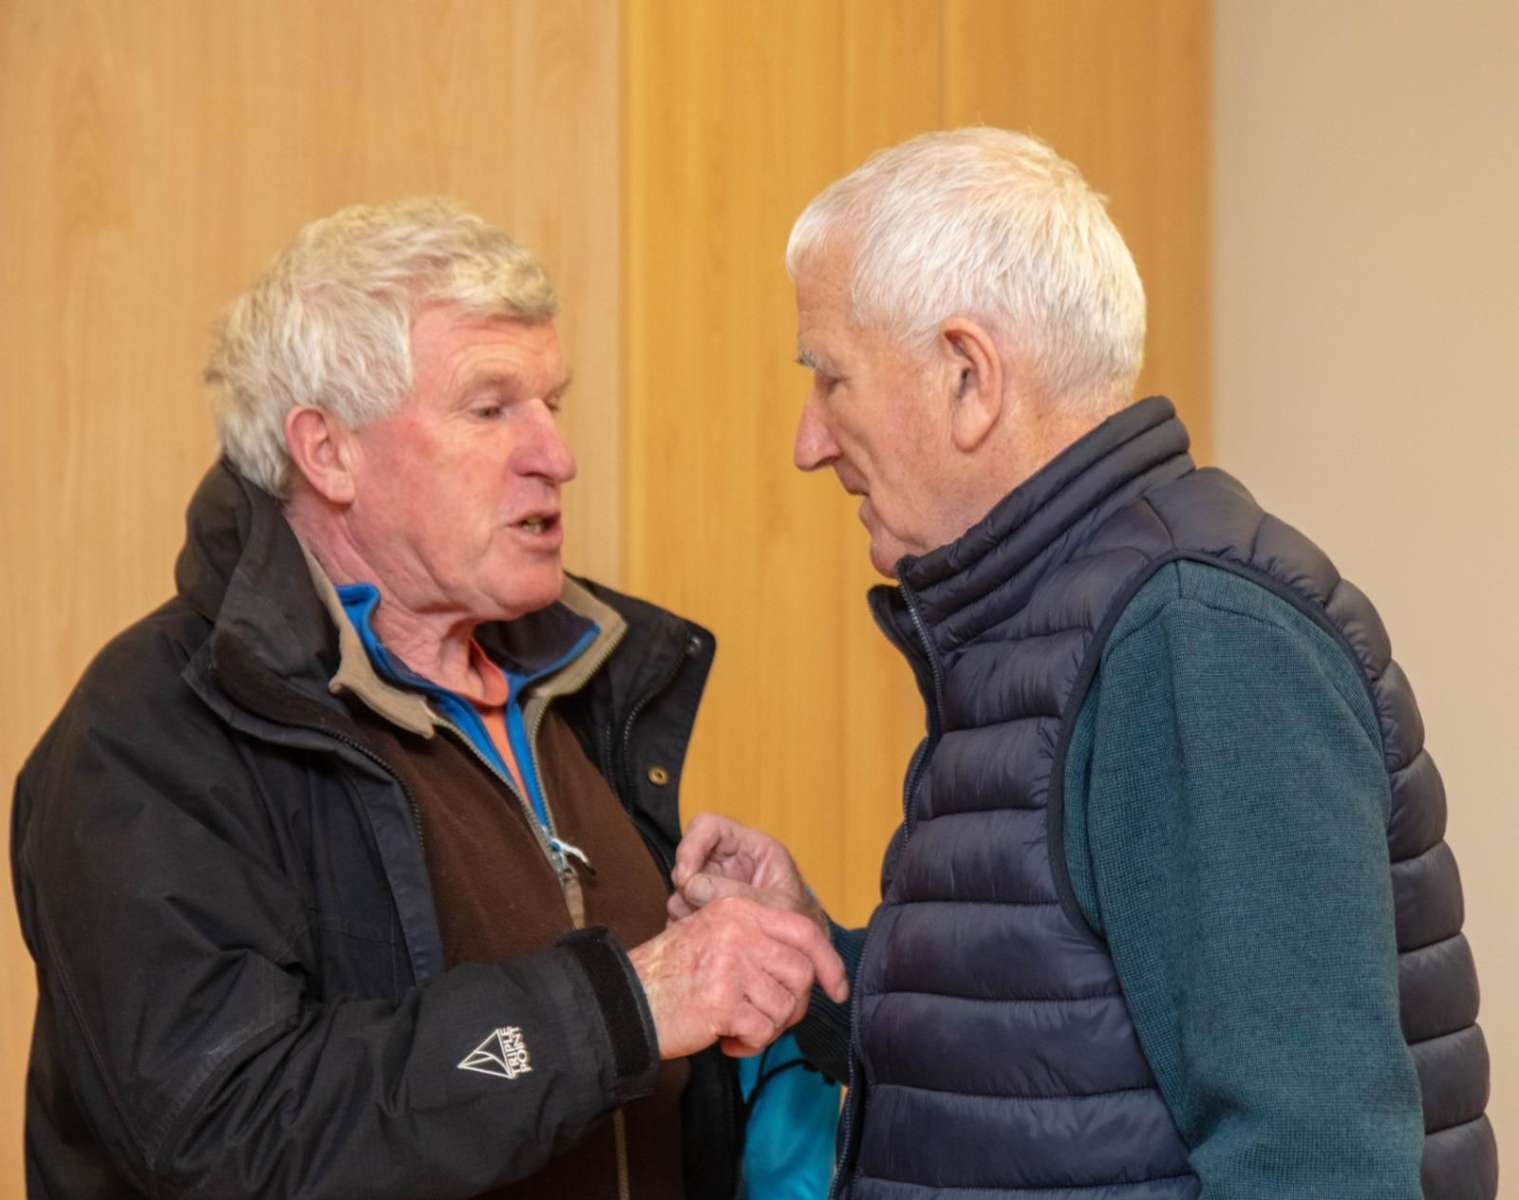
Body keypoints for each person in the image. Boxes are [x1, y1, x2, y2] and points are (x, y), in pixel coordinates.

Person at [671, 129, 1496, 1199]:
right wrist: (820, 956)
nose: (808, 442)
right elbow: (1061, 1042)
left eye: (830, 379)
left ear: (968, 375)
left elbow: (1313, 1160)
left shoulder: (1191, 639)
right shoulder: (1059, 619)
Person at [11, 198, 846, 1200]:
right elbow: (231, 1135)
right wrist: (621, 1005)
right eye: (490, 409)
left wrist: (756, 973)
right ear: (328, 453)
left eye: (551, 403)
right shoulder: (147, 734)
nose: (556, 455)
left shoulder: (582, 684)